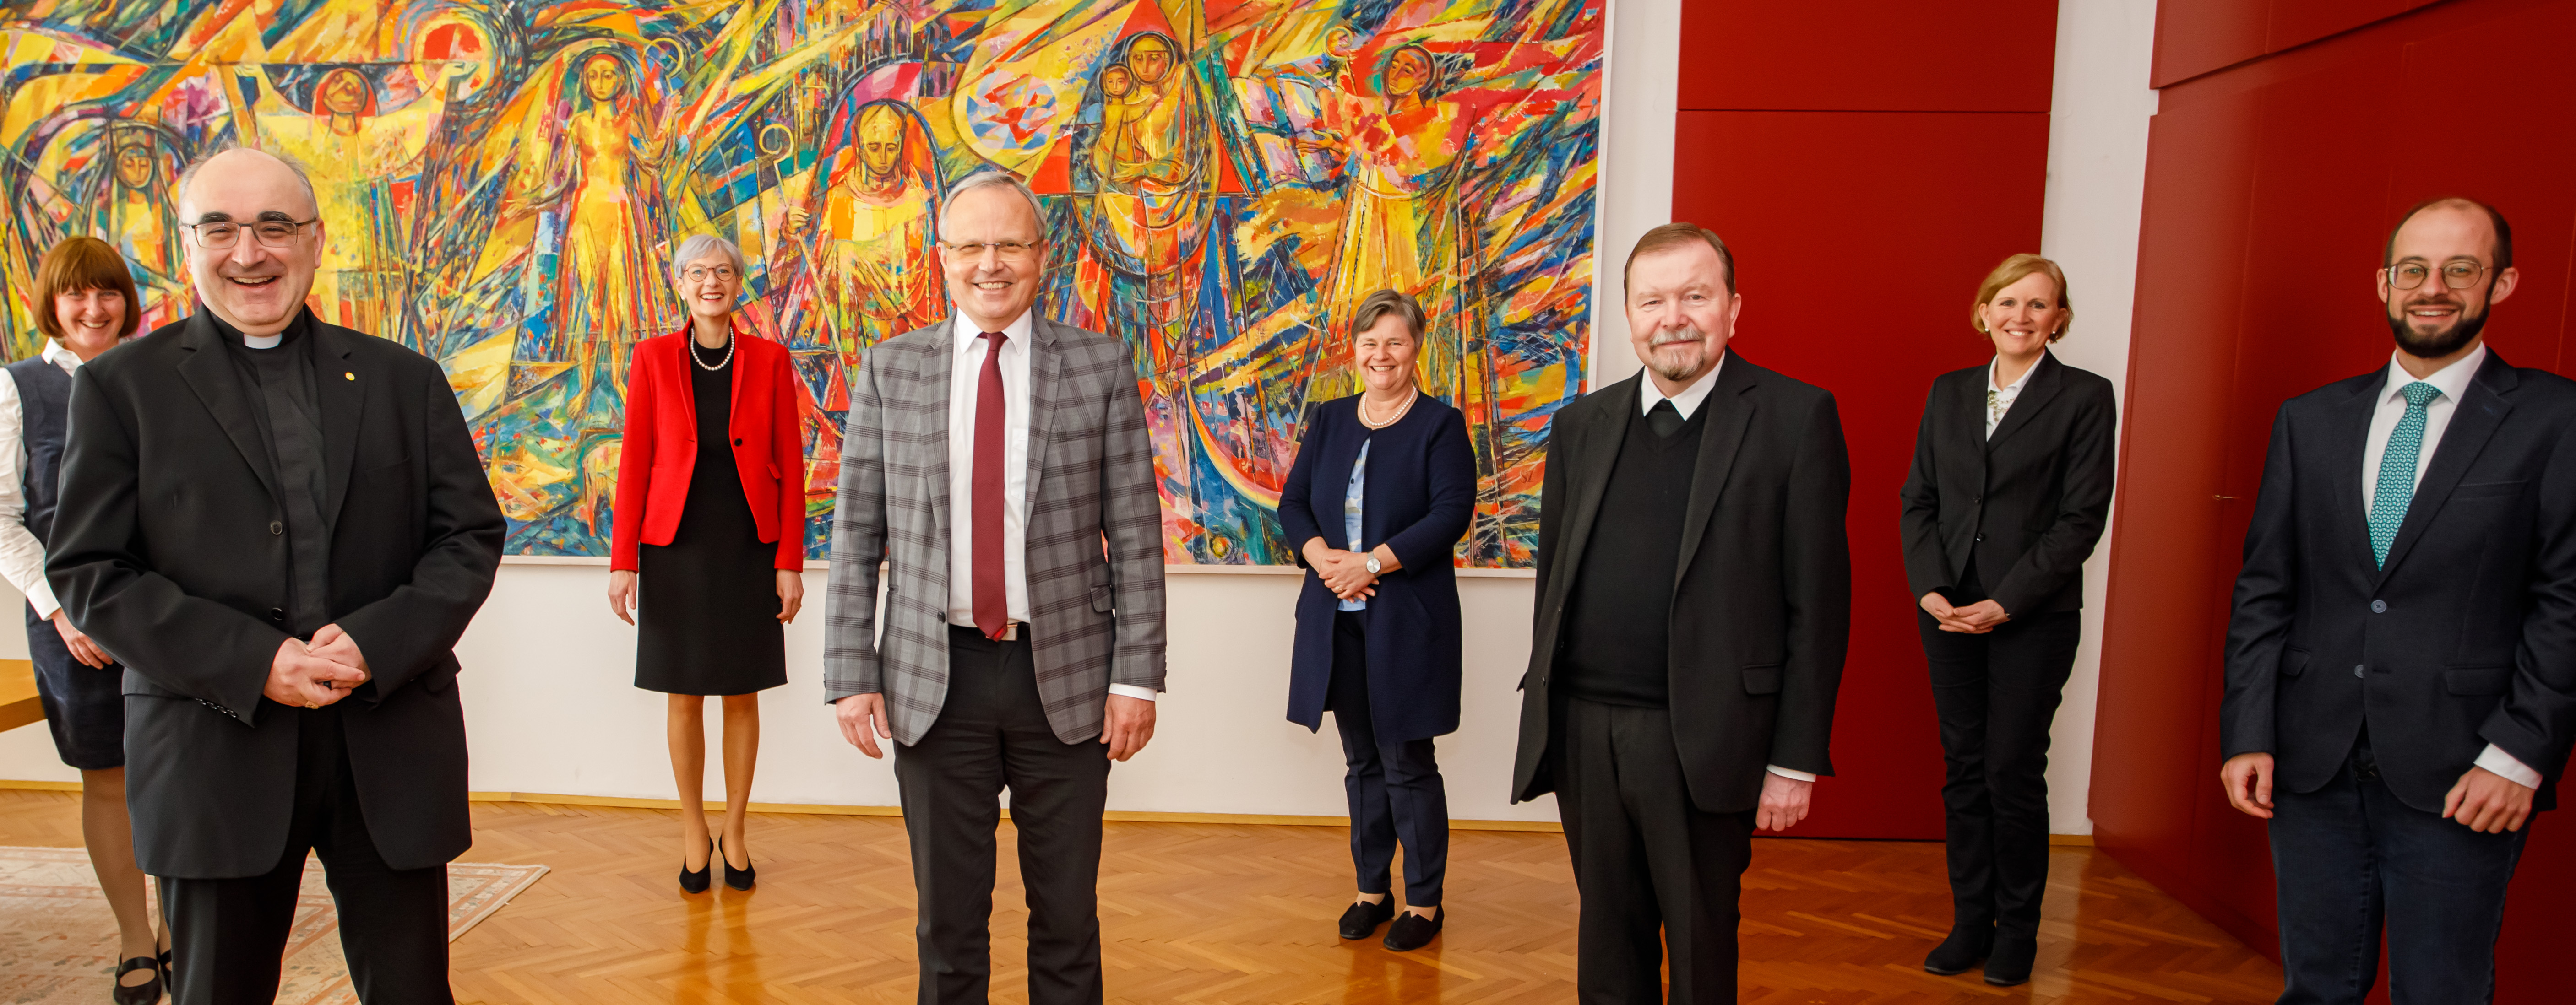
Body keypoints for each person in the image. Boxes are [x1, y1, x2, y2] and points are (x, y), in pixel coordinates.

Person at [46, 146, 505, 1004]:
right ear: (186, 245)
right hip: (214, 750)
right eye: (219, 228)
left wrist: (373, 644)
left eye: (274, 226)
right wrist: (255, 661)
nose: (247, 252)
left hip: (388, 741)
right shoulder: (120, 390)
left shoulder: (406, 380)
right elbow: (90, 571)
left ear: (316, 240)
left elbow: (469, 537)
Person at [2220, 197, 2576, 1004]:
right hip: (2310, 764)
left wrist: (2518, 754)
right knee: (2315, 987)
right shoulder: (2309, 421)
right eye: (2413, 269)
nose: (2433, 287)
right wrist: (2246, 729)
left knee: (2439, 990)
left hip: (2466, 770)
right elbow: (2265, 591)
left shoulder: (2556, 420)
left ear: (2503, 283)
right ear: (2383, 282)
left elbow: (2568, 602)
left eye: (2461, 269)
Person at [825, 170, 1166, 1005]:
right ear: (940, 259)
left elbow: (1135, 533)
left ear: (1040, 258)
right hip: (931, 678)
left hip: (1070, 678)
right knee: (946, 922)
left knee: (1066, 919)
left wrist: (1136, 677)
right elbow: (855, 532)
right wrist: (850, 676)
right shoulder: (890, 369)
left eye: (1009, 244)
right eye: (970, 245)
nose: (990, 263)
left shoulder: (1097, 365)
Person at [1509, 222, 1850, 1003]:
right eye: (1652, 300)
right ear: (1628, 315)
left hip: (1705, 738)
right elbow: (1554, 583)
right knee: (1607, 936)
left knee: (1699, 943)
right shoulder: (1579, 425)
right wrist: (1550, 724)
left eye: (1695, 296)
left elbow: (1819, 606)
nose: (1674, 318)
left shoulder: (1795, 420)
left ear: (1733, 307)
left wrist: (1793, 761)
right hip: (1585, 732)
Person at [1897, 254, 2117, 986]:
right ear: (1983, 311)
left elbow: (2080, 518)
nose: (2020, 316)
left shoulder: (2086, 397)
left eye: (2038, 305)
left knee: (2010, 772)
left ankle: (2016, 931)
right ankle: (1969, 923)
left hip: (2031, 615)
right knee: (1963, 773)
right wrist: (1930, 588)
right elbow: (1920, 501)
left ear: (2059, 319)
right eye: (2007, 301)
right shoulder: (1948, 392)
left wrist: (2007, 600)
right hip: (1948, 610)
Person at [1277, 288, 1476, 951]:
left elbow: (1450, 515)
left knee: (1407, 762)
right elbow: (1295, 504)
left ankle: (1423, 902)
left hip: (1405, 623)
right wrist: (1321, 558)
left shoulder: (1440, 426)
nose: (1380, 354)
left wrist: (1373, 564)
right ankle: (1371, 891)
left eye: (1394, 340)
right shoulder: (1330, 420)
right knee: (1361, 762)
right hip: (1336, 621)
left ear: (1415, 347)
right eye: (1369, 342)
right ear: (1352, 349)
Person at [607, 234, 806, 894]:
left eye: (722, 272)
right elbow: (634, 462)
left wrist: (789, 560)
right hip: (674, 548)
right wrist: (623, 561)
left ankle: (737, 829)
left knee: (742, 692)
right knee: (683, 692)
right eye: (698, 273)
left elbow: (790, 465)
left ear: (738, 282)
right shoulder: (653, 358)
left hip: (748, 545)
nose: (711, 283)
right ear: (681, 285)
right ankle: (695, 832)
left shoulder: (771, 360)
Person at [3, 235, 168, 1004]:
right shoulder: (17, 391)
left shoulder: (162, 374)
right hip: (72, 623)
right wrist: (61, 607)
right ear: (52, 303)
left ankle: (187, 928)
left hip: (167, 613)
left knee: (180, 772)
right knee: (108, 780)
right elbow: (6, 518)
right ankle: (138, 941)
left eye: (108, 294)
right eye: (77, 295)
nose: (94, 310)